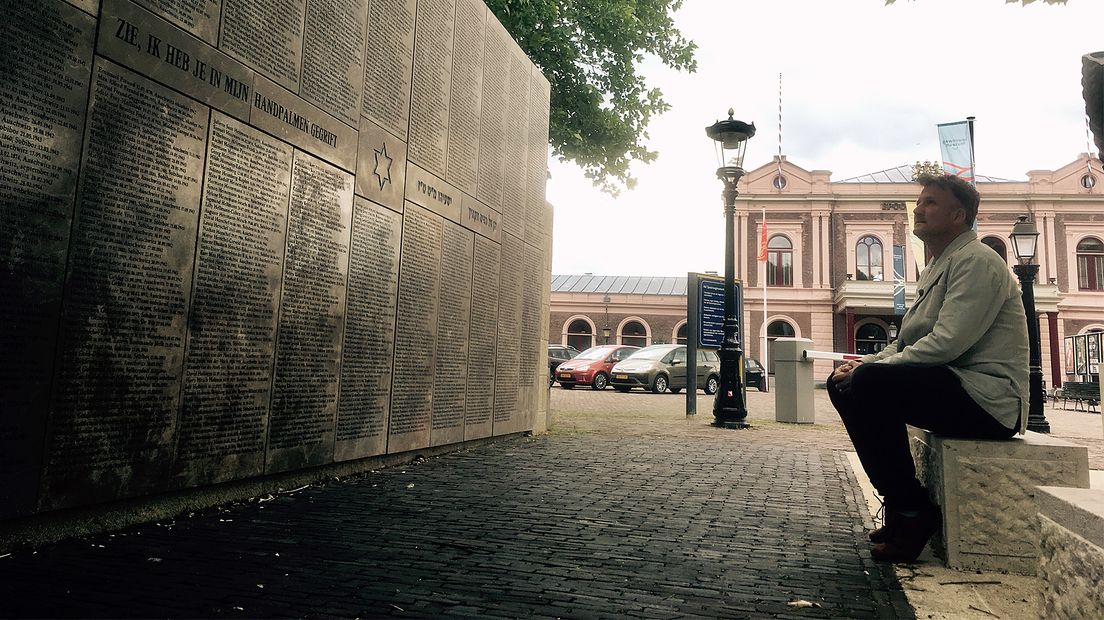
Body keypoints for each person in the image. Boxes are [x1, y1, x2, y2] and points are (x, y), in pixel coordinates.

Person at [828, 174, 1028, 563]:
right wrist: (861, 363)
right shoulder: (939, 265)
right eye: (920, 202)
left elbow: (946, 343)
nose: (918, 209)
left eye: (930, 202)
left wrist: (868, 372)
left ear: (958, 215)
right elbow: (904, 344)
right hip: (954, 386)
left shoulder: (978, 261)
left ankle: (912, 511)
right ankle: (903, 503)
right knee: (843, 384)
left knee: (870, 384)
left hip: (988, 400)